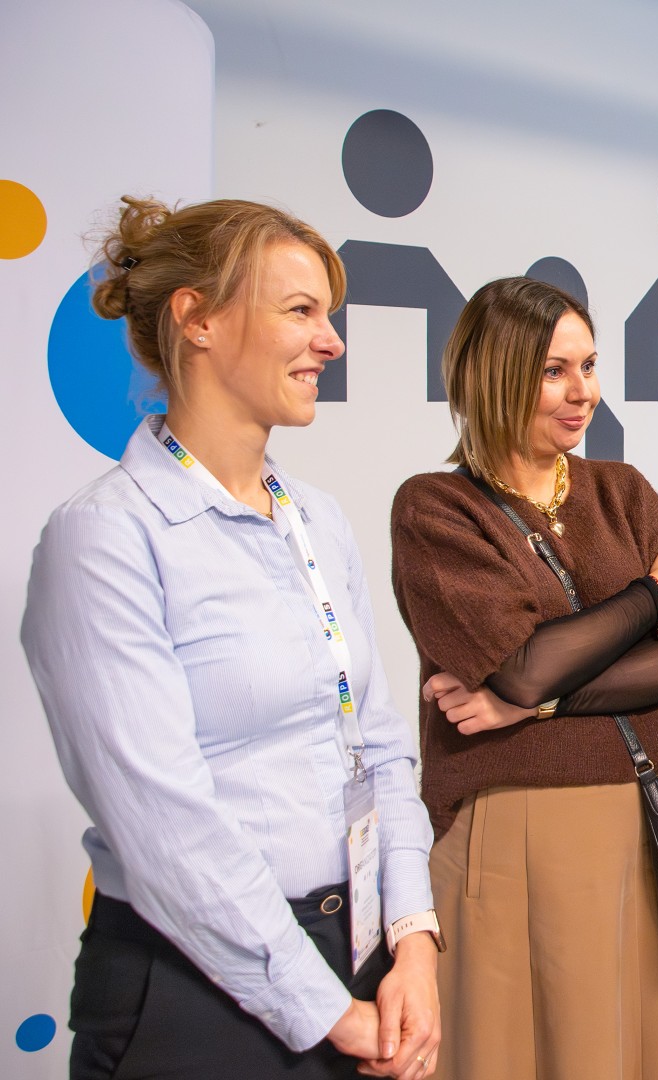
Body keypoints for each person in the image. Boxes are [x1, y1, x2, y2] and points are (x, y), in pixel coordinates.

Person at [21, 197, 442, 1080]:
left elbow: (380, 747)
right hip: (193, 993)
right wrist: (328, 1012)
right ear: (198, 319)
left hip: (356, 951)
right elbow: (166, 827)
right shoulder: (105, 537)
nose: (331, 341)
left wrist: (413, 940)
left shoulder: (317, 519)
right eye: (301, 310)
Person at [389, 277, 658, 1080]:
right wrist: (655, 594)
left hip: (634, 822)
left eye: (589, 366)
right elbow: (522, 666)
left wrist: (532, 708)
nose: (584, 393)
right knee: (513, 1054)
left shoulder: (623, 492)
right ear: (492, 376)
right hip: (513, 826)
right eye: (553, 371)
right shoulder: (437, 509)